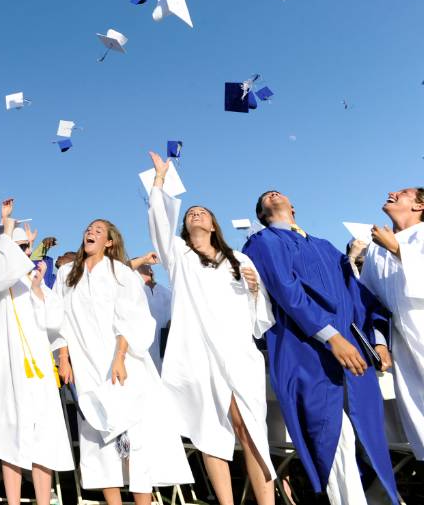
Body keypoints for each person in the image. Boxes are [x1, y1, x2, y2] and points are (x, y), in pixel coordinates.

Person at [244, 190, 399, 505]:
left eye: (278, 193)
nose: (273, 195)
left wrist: (379, 342)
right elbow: (286, 291)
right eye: (265, 199)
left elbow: (360, 296)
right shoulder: (262, 242)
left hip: (353, 354)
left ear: (294, 207)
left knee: (369, 438)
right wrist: (331, 336)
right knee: (330, 436)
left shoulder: (325, 247)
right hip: (303, 352)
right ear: (262, 215)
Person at [146, 152, 276, 505]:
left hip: (235, 352)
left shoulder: (240, 260)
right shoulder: (179, 256)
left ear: (214, 224)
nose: (194, 214)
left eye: (201, 211)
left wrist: (253, 290)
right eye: (189, 214)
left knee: (248, 427)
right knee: (208, 431)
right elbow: (159, 221)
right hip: (198, 355)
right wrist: (159, 181)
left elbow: (259, 317)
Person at [53, 219, 192, 505]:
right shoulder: (67, 274)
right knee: (97, 436)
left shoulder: (121, 273)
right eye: (88, 228)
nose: (90, 232)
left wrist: (119, 357)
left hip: (122, 364)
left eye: (98, 230)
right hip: (85, 366)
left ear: (109, 242)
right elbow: (58, 319)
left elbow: (133, 316)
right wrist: (63, 358)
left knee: (133, 436)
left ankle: (144, 501)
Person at [0, 199, 72, 505]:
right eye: (19, 248)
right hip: (5, 368)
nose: (25, 253)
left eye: (27, 248)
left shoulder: (39, 285)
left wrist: (39, 289)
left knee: (43, 437)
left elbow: (55, 322)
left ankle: (43, 500)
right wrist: (5, 228)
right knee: (6, 437)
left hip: (35, 370)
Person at [357, 187, 424, 460]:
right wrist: (380, 343)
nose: (391, 192)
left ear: (420, 206)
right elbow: (369, 301)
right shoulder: (375, 249)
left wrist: (397, 249)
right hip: (404, 347)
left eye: (404, 192)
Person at [135, 264, 172, 371]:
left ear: (150, 271)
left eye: (141, 266)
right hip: (143, 345)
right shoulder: (135, 291)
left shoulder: (167, 293)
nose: (137, 269)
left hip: (164, 343)